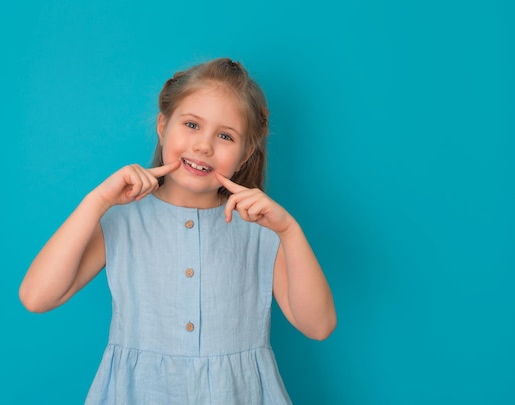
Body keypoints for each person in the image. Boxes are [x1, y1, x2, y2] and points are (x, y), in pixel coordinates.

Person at [19, 58, 336, 404]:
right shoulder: (122, 220)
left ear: (245, 156)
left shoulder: (262, 231)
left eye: (226, 136)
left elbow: (318, 326)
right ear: (162, 125)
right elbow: (37, 297)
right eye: (191, 125)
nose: (203, 146)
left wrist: (289, 231)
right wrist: (96, 202)